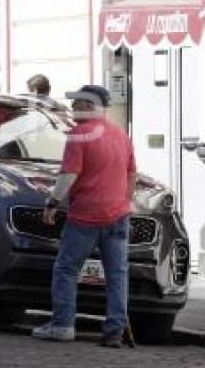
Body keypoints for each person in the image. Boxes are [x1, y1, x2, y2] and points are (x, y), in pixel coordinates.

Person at [32, 85, 136, 348]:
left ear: (90, 106)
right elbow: (131, 174)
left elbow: (69, 174)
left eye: (77, 103)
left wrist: (52, 203)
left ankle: (63, 325)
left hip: (85, 216)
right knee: (117, 275)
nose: (72, 107)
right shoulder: (121, 135)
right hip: (118, 215)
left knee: (66, 269)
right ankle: (114, 331)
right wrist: (125, 201)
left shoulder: (79, 135)